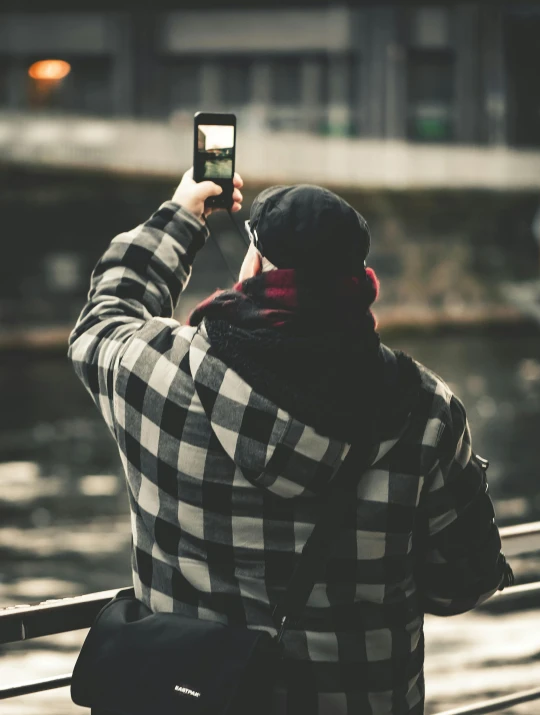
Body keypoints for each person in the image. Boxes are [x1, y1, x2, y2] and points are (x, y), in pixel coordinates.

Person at [69, 169, 512, 715]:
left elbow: (106, 314)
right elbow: (464, 584)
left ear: (253, 267)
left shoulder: (157, 372)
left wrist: (182, 215)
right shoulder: (426, 411)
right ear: (359, 281)